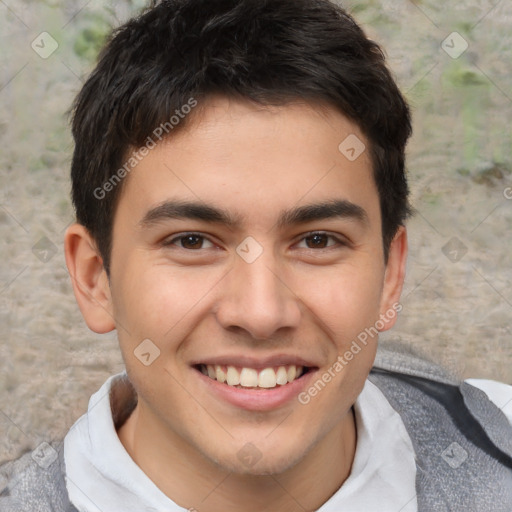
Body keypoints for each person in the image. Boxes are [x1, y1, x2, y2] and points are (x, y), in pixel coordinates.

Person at [1, 0, 511, 510]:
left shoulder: (497, 432)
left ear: (390, 274)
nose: (261, 313)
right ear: (96, 279)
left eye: (317, 240)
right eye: (192, 241)